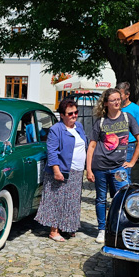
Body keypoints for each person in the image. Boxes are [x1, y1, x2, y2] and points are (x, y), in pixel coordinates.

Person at [86, 88, 139, 243]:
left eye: (118, 99)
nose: (117, 102)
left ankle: (121, 227)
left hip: (119, 167)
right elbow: (91, 146)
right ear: (106, 103)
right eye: (113, 100)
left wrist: (132, 162)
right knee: (100, 199)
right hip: (100, 166)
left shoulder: (127, 117)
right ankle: (102, 229)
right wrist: (89, 169)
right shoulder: (101, 121)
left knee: (124, 197)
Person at [36, 98, 88, 242]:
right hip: (62, 170)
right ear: (62, 115)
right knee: (57, 200)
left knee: (71, 201)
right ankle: (54, 231)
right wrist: (56, 171)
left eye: (76, 112)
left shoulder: (79, 127)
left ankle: (67, 226)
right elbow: (52, 151)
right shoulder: (56, 129)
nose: (74, 116)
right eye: (70, 113)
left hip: (77, 171)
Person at [117, 82, 139, 177]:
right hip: (113, 145)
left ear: (127, 94)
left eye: (120, 94)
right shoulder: (115, 108)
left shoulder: (135, 109)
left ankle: (126, 191)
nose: (118, 97)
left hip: (128, 146)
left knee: (124, 174)